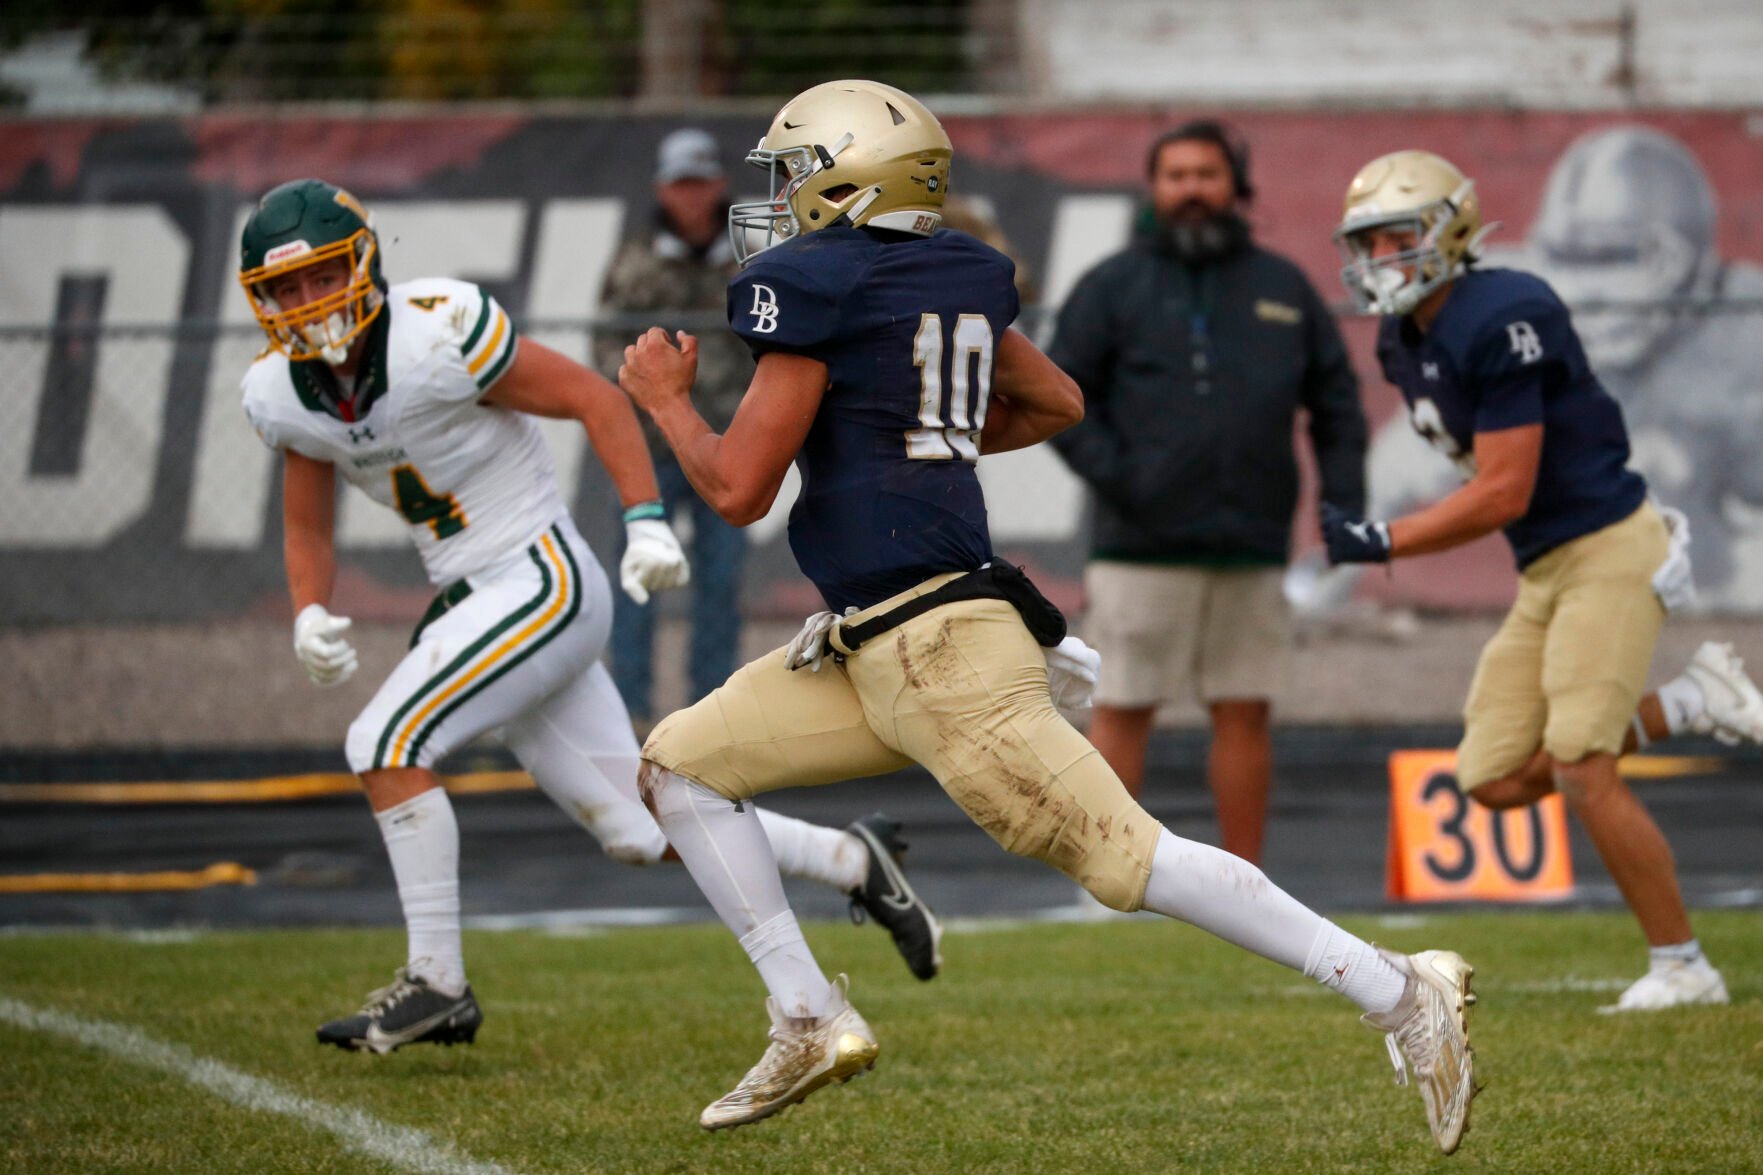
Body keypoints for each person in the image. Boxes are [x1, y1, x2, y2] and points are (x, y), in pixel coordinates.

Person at [619, 80, 1477, 1154]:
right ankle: (804, 1010)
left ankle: (1396, 990)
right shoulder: (957, 272)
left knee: (1131, 861)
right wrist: (920, 432)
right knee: (678, 765)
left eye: (795, 173)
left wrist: (660, 399)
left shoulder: (813, 284)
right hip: (868, 641)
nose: (784, 198)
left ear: (849, 177)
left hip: (936, 648)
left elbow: (739, 490)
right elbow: (1056, 402)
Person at [235, 177, 945, 1055]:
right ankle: (851, 861)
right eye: (284, 289)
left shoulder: (436, 330)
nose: (306, 302)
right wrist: (308, 606)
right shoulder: (279, 392)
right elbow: (305, 507)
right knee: (636, 824)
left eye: (320, 276)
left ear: (365, 263)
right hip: (478, 593)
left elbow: (595, 399)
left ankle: (436, 984)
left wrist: (645, 519)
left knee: (384, 742)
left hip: (538, 576)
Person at [1323, 149, 1763, 1012]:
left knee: (1581, 765)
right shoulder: (1399, 335)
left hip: (1604, 547)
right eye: (1367, 243)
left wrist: (1382, 540)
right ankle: (1689, 702)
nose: (1381, 260)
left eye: (1397, 237)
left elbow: (1502, 489)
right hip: (1549, 565)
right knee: (1489, 776)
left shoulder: (1506, 310)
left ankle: (1683, 964)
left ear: (1449, 231)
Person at [1047, 120, 1368, 864]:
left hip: (1250, 543)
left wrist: (1341, 508)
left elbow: (1338, 405)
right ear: (1154, 190)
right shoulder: (1111, 284)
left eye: (1206, 174)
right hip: (1138, 546)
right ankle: (1108, 879)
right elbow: (1059, 400)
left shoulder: (1282, 285)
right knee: (1121, 710)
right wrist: (1124, 477)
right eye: (1175, 176)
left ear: (1236, 187)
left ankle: (1246, 884)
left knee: (1245, 713)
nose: (1191, 189)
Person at [596, 128, 753, 724]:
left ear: (718, 184)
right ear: (663, 188)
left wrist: (749, 413)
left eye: (699, 181)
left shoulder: (747, 255)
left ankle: (713, 711)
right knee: (640, 578)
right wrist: (642, 405)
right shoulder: (635, 258)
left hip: (724, 447)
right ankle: (630, 710)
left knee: (721, 580)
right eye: (679, 183)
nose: (690, 195)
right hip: (653, 449)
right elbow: (605, 342)